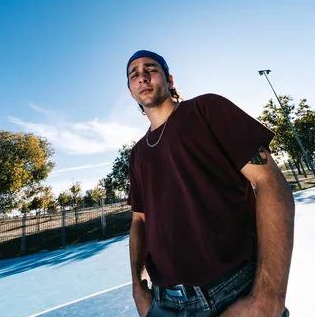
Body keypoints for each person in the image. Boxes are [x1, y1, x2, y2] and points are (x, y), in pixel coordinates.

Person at [126, 50, 294, 317]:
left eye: (151, 69)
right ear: (131, 91)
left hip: (232, 292)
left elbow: (269, 182)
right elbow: (140, 220)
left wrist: (268, 299)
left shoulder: (206, 110)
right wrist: (138, 289)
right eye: (134, 74)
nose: (143, 77)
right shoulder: (137, 154)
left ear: (169, 80)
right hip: (164, 303)